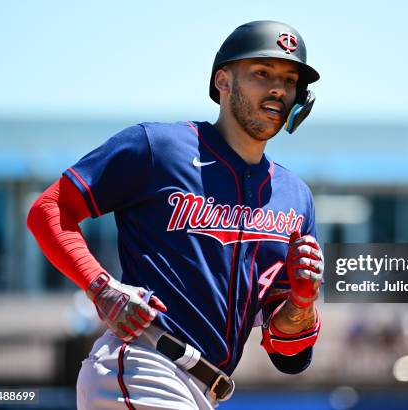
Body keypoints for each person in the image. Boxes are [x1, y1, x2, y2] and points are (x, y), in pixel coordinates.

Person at [27, 20, 324, 410]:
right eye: (262, 73)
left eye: (289, 80)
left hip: (205, 390)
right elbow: (49, 208)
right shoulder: (159, 147)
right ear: (223, 81)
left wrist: (302, 304)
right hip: (143, 363)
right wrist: (100, 286)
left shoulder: (294, 197)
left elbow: (289, 356)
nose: (277, 89)